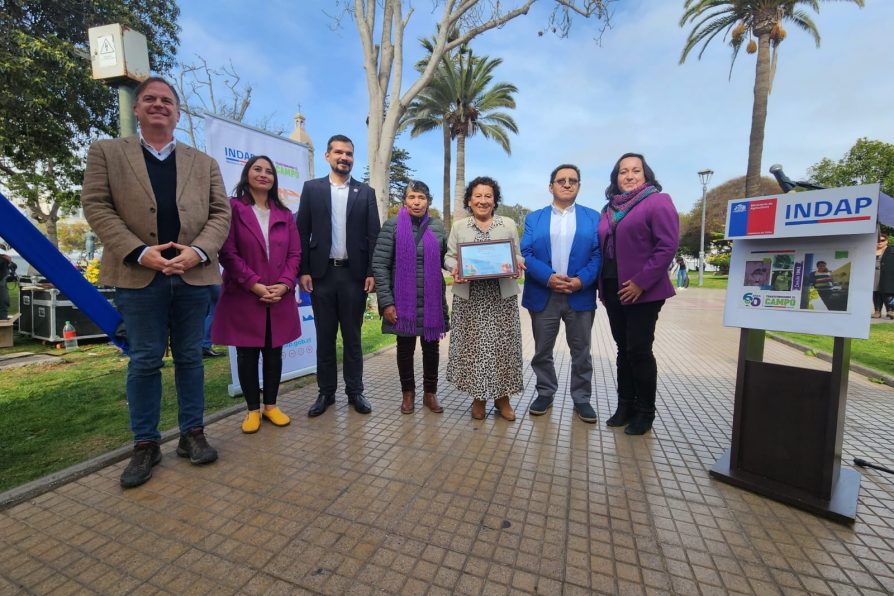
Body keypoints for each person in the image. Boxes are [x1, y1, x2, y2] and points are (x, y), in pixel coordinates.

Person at [81, 77, 231, 488]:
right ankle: (145, 443)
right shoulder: (107, 153)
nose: (158, 105)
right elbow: (96, 205)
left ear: (178, 114)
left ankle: (192, 434)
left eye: (167, 101)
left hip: (192, 274)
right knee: (145, 360)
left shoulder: (204, 164)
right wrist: (137, 251)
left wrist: (197, 251)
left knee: (190, 357)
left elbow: (221, 214)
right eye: (150, 99)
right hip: (137, 274)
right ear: (137, 108)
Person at [212, 156, 302, 433]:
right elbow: (227, 252)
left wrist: (286, 284)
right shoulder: (233, 208)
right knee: (247, 354)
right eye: (257, 169)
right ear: (246, 174)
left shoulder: (284, 214)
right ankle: (252, 410)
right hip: (244, 294)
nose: (263, 175)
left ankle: (271, 406)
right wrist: (253, 284)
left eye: (269, 171)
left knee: (274, 353)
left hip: (278, 294)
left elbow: (295, 254)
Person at [297, 135, 381, 416]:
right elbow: (301, 231)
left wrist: (371, 272)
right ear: (327, 156)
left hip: (354, 276)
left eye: (348, 153)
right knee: (324, 337)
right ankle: (325, 393)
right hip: (321, 276)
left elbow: (374, 236)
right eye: (338, 152)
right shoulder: (312, 189)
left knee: (353, 337)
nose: (344, 157)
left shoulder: (365, 193)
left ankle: (355, 392)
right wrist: (304, 270)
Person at [598, 153, 679, 435]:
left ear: (646, 175)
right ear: (615, 177)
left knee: (639, 350)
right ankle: (625, 405)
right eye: (623, 171)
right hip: (612, 287)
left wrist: (641, 282)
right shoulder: (609, 209)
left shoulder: (657, 201)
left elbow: (667, 246)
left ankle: (645, 411)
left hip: (642, 291)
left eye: (635, 170)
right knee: (623, 350)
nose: (629, 176)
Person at [521, 164, 601, 423]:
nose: (567, 184)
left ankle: (582, 399)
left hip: (580, 294)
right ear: (551, 186)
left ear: (579, 186)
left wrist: (580, 281)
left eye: (573, 180)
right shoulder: (535, 218)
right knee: (542, 350)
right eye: (561, 180)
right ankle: (545, 392)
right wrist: (548, 278)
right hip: (544, 294)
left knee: (581, 351)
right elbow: (527, 254)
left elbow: (599, 254)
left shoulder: (593, 217)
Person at [445, 176, 525, 421]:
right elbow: (448, 257)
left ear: (495, 200)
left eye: (488, 196)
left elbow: (517, 256)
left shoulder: (508, 224)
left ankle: (503, 399)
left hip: (501, 298)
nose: (483, 201)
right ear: (470, 200)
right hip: (471, 299)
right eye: (477, 196)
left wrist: (518, 263)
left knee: (503, 349)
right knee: (474, 350)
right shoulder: (459, 227)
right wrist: (455, 268)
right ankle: (478, 398)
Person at [371, 180, 449, 414]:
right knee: (404, 348)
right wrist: (386, 302)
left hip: (431, 301)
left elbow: (447, 259)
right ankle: (408, 393)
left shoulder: (437, 227)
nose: (417, 202)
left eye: (422, 198)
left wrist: (464, 268)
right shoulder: (392, 226)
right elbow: (380, 265)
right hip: (402, 301)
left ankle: (430, 393)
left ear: (428, 201)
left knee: (431, 348)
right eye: (412, 197)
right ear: (405, 200)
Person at [873, 233, 894, 319]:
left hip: (888, 274)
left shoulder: (891, 250)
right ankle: (877, 311)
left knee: (888, 292)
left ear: (886, 241)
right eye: (878, 240)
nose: (879, 242)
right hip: (874, 274)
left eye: (882, 240)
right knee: (876, 292)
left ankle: (890, 311)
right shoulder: (871, 249)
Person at [202, 284, 221, 357]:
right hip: (213, 279)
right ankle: (205, 345)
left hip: (207, 281)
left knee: (210, 311)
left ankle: (203, 345)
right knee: (215, 312)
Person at [0, 242, 10, 320]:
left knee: (3, 304)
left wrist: (8, 261)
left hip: (2, 281)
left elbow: (13, 266)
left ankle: (3, 326)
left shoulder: (4, 258)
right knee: (3, 304)